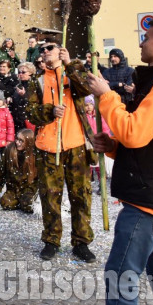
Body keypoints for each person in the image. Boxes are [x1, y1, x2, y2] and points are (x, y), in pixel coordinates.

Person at [86, 14, 153, 305]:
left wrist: (107, 97)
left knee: (120, 279)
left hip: (148, 201)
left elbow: (136, 133)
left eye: (147, 37)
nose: (142, 42)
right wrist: (113, 146)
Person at [27, 37, 96, 263]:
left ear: (60, 51)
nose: (45, 52)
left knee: (81, 196)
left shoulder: (71, 72)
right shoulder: (37, 81)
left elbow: (87, 88)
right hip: (48, 146)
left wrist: (71, 66)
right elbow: (30, 113)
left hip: (75, 144)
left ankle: (81, 242)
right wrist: (49, 112)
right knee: (50, 196)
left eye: (49, 48)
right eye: (42, 49)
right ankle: (51, 240)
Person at [0, 129, 37, 213]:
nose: (17, 142)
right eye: (17, 139)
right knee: (5, 203)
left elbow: (40, 175)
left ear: (28, 142)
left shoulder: (35, 154)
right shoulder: (9, 149)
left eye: (21, 141)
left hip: (28, 188)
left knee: (27, 205)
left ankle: (24, 202)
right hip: (13, 188)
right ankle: (19, 202)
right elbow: (1, 170)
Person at [9, 62, 35, 133]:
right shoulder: (18, 84)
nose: (20, 74)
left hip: (27, 120)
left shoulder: (33, 85)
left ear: (31, 73)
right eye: (19, 72)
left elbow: (33, 102)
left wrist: (24, 96)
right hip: (17, 119)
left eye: (23, 72)